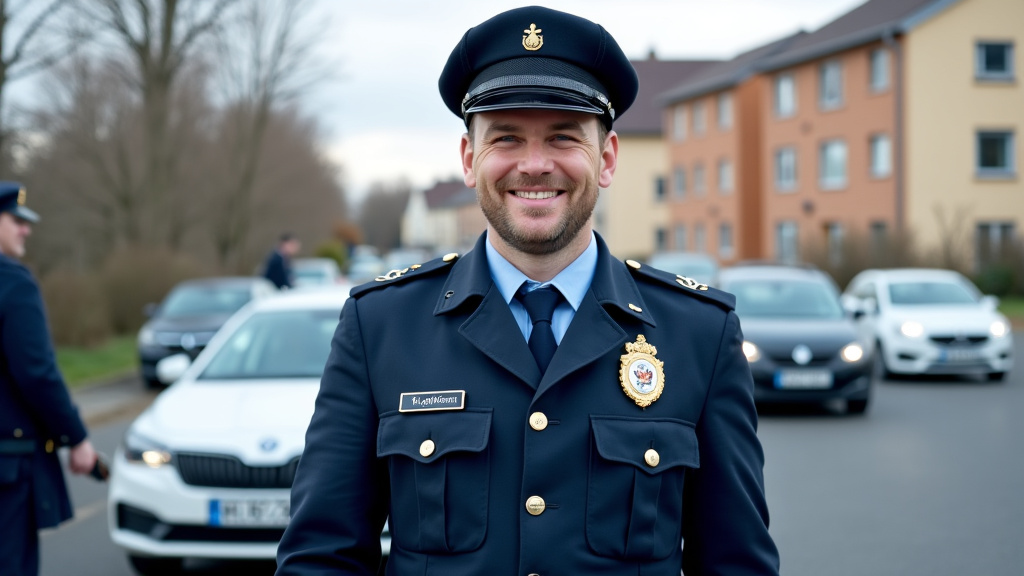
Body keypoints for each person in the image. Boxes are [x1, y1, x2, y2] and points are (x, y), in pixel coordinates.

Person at [277, 6, 779, 575]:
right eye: (507, 138)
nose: (535, 165)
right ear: (470, 159)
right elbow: (322, 559)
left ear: (607, 157)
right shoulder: (381, 327)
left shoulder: (699, 334)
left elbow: (738, 564)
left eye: (563, 137)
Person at [0, 182, 99, 576]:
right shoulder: (13, 283)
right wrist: (76, 437)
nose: (26, 230)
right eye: (14, 220)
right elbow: (38, 373)